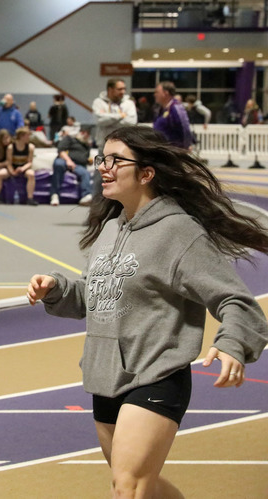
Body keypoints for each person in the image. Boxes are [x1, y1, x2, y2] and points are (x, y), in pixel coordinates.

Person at [27, 125, 268, 499]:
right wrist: (56, 288)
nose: (103, 167)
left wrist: (233, 343)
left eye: (115, 160)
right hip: (106, 377)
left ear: (146, 173)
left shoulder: (179, 233)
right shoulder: (110, 228)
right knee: (143, 486)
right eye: (101, 159)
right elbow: (94, 297)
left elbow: (235, 300)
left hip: (156, 375)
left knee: (128, 488)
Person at [92, 78, 137, 153]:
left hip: (124, 145)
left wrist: (108, 119)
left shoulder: (129, 103)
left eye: (124, 89)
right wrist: (121, 116)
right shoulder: (98, 102)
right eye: (119, 89)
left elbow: (131, 122)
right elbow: (99, 120)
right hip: (103, 146)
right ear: (110, 89)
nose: (123, 92)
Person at [50, 128, 92, 206]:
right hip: (64, 160)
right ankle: (54, 195)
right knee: (58, 164)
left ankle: (86, 196)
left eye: (87, 133)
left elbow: (85, 158)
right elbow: (61, 151)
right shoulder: (70, 139)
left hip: (78, 165)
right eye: (84, 132)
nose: (86, 135)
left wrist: (88, 161)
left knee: (85, 173)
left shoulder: (87, 145)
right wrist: (68, 161)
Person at [153, 81, 193, 149]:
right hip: (161, 149)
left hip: (174, 151)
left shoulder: (176, 108)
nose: (155, 95)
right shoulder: (161, 109)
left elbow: (185, 129)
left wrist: (185, 148)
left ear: (166, 93)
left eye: (157, 92)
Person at [6, 126, 37, 205]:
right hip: (13, 168)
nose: (29, 137)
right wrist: (12, 171)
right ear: (21, 136)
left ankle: (30, 198)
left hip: (24, 168)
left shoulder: (30, 147)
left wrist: (23, 168)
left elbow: (30, 162)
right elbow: (8, 163)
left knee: (31, 174)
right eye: (27, 135)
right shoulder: (11, 147)